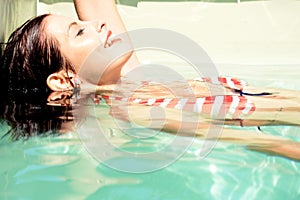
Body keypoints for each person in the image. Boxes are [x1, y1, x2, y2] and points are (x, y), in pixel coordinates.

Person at [0, 0, 299, 161]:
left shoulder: (130, 76)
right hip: (265, 116)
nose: (98, 24)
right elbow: (237, 137)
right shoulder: (133, 108)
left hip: (267, 99)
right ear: (63, 81)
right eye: (79, 32)